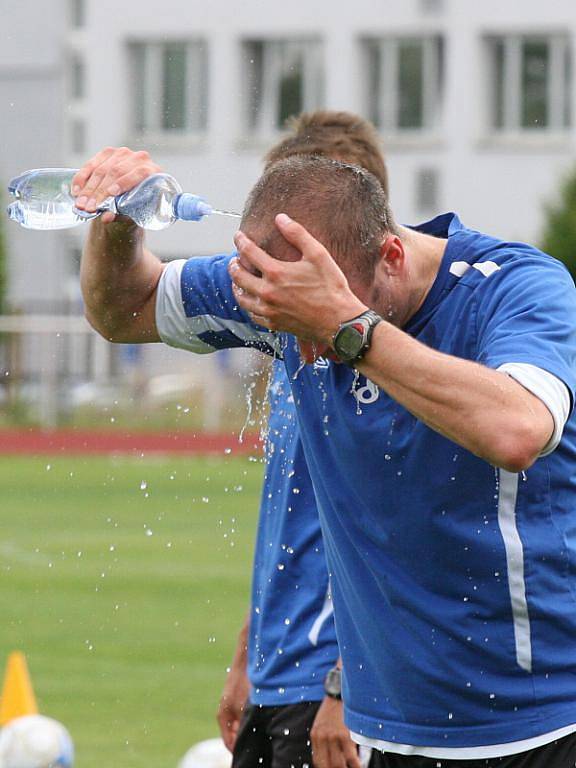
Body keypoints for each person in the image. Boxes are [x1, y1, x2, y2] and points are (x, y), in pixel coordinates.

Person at [74, 152, 576, 767]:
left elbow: (519, 428)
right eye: (296, 328)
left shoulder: (516, 285)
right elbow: (123, 308)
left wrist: (349, 329)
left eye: (322, 325)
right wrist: (116, 222)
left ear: (392, 255)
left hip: (541, 726)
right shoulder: (281, 296)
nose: (308, 354)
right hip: (387, 733)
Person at [74, 113, 389, 768]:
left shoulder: (401, 348)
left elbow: (400, 532)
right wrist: (251, 652)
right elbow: (122, 309)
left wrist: (343, 684)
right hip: (279, 677)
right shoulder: (274, 313)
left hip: (343, 696)